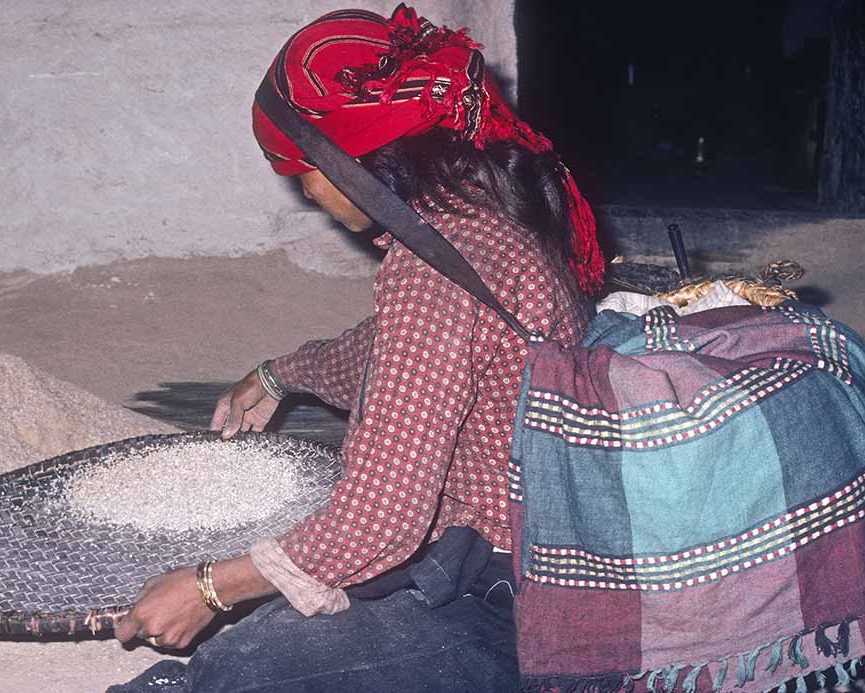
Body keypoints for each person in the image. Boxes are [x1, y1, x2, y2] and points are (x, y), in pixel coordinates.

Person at [110, 5, 604, 691]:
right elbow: (395, 356)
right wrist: (281, 375)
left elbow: (384, 517)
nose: (305, 192)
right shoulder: (479, 213)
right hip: (544, 552)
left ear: (346, 157)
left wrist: (210, 587)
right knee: (284, 628)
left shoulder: (433, 269)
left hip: (515, 596)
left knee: (235, 669)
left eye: (302, 171)